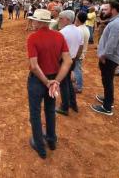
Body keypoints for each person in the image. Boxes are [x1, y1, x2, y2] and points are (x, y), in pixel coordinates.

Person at [27, 9, 72, 159]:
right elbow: (68, 61)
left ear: (39, 22)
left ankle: (40, 147)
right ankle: (52, 141)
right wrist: (56, 81)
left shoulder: (32, 38)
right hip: (54, 79)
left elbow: (34, 65)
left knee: (35, 113)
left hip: (38, 80)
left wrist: (47, 82)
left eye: (34, 20)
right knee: (50, 110)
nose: (32, 23)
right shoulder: (59, 36)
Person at [91, 1, 119, 116]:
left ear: (114, 10)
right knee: (108, 80)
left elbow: (112, 44)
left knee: (107, 81)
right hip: (111, 57)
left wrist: (103, 55)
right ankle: (108, 99)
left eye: (106, 9)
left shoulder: (116, 24)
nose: (103, 11)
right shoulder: (118, 21)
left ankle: (107, 107)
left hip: (109, 58)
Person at [56, 10, 83, 116]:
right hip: (73, 60)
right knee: (68, 83)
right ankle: (73, 103)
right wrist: (75, 58)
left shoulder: (62, 32)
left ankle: (64, 107)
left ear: (67, 19)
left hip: (63, 61)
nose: (59, 20)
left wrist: (57, 61)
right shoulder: (78, 31)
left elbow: (58, 50)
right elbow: (80, 47)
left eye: (61, 18)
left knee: (63, 84)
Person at [74, 12, 90, 93]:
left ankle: (79, 87)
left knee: (77, 70)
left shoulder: (78, 29)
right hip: (82, 52)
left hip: (78, 54)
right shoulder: (85, 28)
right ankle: (77, 84)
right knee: (77, 69)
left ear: (78, 19)